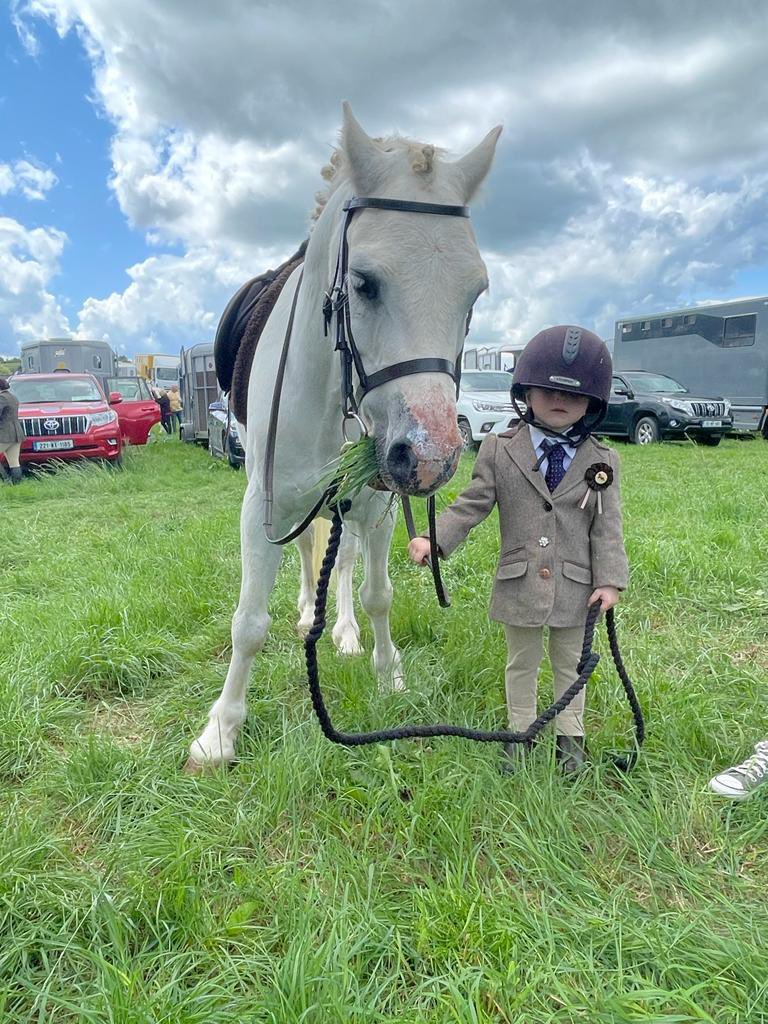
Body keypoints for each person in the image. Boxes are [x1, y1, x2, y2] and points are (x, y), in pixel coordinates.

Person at [408, 326, 628, 774]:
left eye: (574, 395)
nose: (558, 400)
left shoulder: (602, 459)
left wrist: (609, 580)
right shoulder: (499, 448)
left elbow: (607, 527)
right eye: (545, 389)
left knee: (572, 664)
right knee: (521, 662)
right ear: (525, 390)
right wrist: (438, 538)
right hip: (519, 582)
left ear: (593, 404)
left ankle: (572, 741)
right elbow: (474, 503)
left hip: (576, 587)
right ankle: (519, 734)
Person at [0, 376, 24, 484]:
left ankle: (5, 480)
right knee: (14, 462)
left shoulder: (2, 398)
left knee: (14, 461)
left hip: (4, 433)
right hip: (16, 433)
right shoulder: (13, 397)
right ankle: (16, 485)